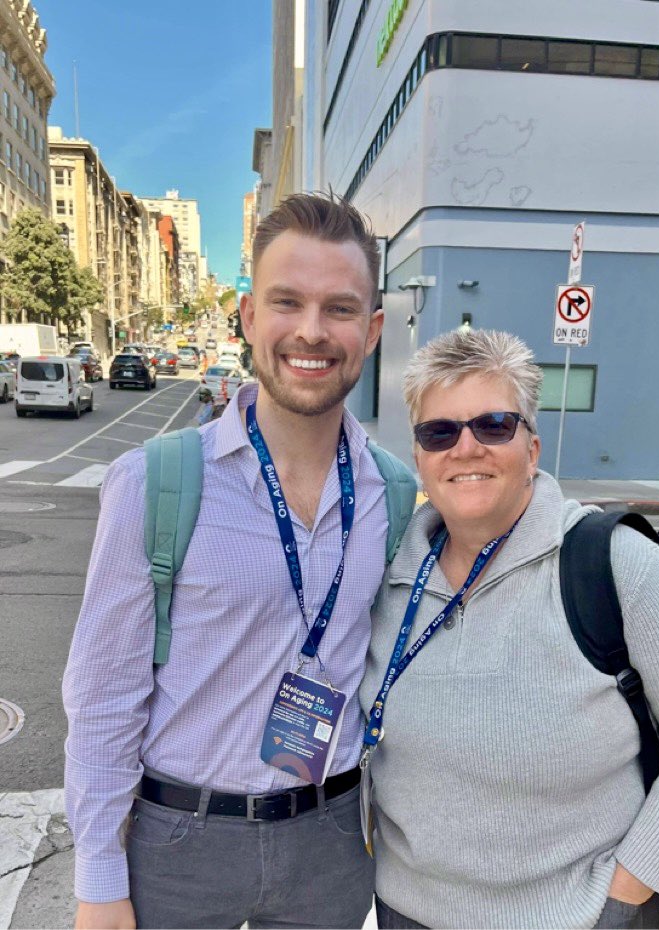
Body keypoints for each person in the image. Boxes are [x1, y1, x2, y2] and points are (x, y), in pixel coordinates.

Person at [63, 192, 394, 930]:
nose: (311, 331)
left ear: (370, 331)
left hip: (329, 839)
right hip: (179, 844)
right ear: (248, 317)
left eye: (340, 308)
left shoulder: (392, 493)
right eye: (287, 302)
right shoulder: (156, 482)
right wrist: (98, 882)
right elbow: (103, 697)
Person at [360, 327, 659, 930]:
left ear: (531, 447)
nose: (466, 447)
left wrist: (627, 887)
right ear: (419, 455)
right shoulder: (389, 572)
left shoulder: (611, 564)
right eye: (439, 431)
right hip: (406, 913)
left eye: (494, 425)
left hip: (575, 918)